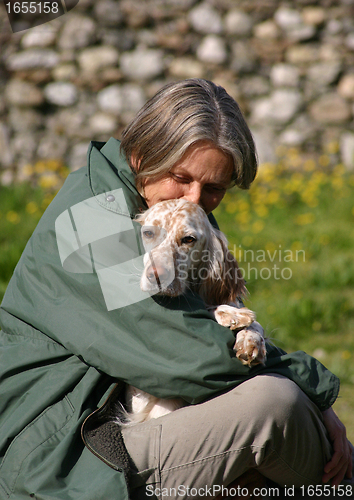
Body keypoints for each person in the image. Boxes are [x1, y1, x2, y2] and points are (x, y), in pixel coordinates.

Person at [0, 79, 352, 500]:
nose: (196, 199)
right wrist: (313, 388)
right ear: (142, 154)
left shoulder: (163, 208)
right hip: (60, 453)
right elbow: (186, 354)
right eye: (181, 177)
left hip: (102, 425)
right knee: (274, 406)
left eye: (215, 188)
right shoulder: (93, 218)